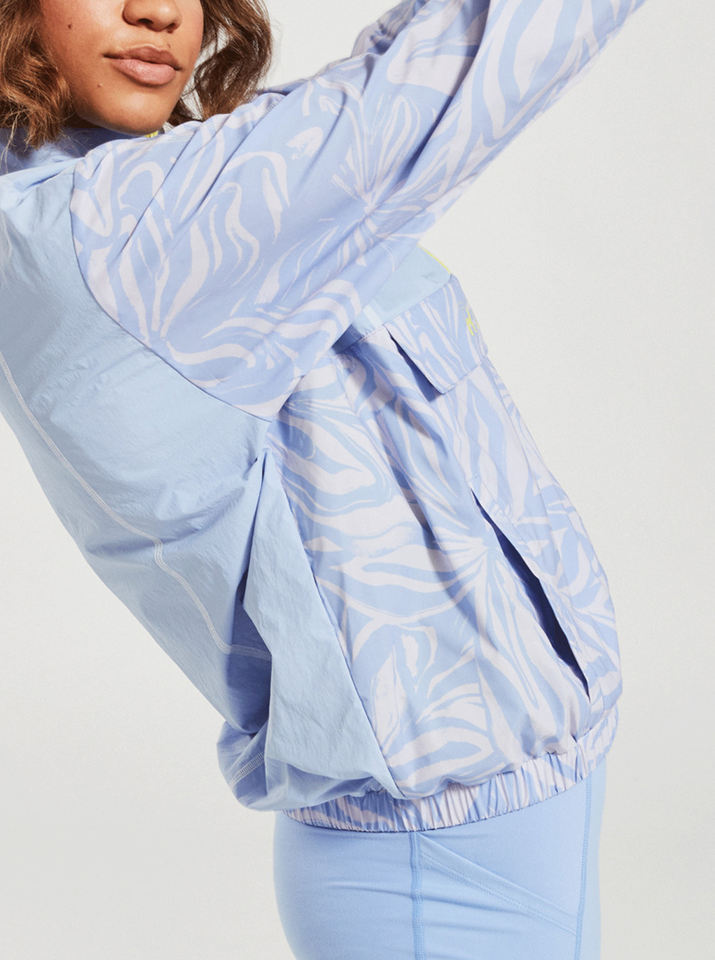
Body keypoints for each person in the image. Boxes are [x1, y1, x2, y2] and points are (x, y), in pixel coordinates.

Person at [0, 1, 650, 957]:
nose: (160, 10)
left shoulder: (154, 194)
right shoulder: (115, 234)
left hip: (503, 831)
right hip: (433, 882)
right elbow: (446, 69)